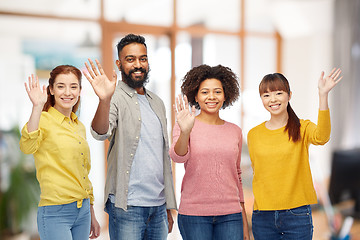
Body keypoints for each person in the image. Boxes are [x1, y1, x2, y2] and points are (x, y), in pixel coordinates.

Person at [83, 33, 177, 240]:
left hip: (159, 206)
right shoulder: (114, 98)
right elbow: (100, 133)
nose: (138, 64)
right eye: (130, 59)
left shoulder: (158, 103)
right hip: (127, 206)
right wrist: (104, 100)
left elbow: (163, 157)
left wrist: (169, 204)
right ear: (119, 63)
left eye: (142, 58)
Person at [247, 68, 342, 239]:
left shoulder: (302, 128)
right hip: (263, 215)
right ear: (261, 99)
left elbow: (322, 136)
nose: (273, 99)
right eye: (266, 95)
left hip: (296, 214)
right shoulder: (253, 134)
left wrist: (323, 95)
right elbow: (259, 173)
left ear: (289, 95)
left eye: (278, 93)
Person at [19, 65, 100, 240]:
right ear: (51, 90)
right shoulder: (43, 119)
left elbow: (84, 173)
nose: (67, 92)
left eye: (73, 86)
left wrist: (91, 211)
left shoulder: (79, 126)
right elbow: (27, 146)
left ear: (79, 90)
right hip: (55, 211)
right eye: (61, 86)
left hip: (83, 210)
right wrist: (37, 107)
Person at [169, 64, 250, 240]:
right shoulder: (185, 124)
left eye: (217, 91)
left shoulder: (234, 130)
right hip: (194, 214)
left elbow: (237, 175)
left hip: (231, 214)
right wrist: (185, 131)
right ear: (195, 96)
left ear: (225, 95)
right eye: (205, 92)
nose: (211, 97)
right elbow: (177, 157)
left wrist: (243, 217)